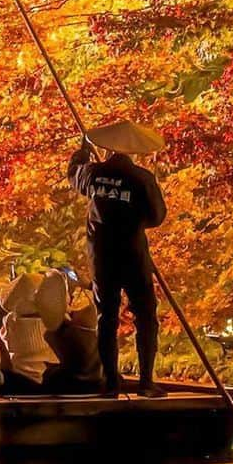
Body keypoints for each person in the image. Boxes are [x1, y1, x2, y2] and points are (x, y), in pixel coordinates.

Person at [68, 120, 168, 398]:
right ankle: (146, 382)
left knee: (107, 316)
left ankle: (110, 382)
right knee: (145, 314)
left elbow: (73, 172)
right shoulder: (141, 179)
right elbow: (156, 217)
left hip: (102, 255)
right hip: (133, 253)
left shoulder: (93, 174)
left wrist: (83, 150)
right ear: (134, 151)